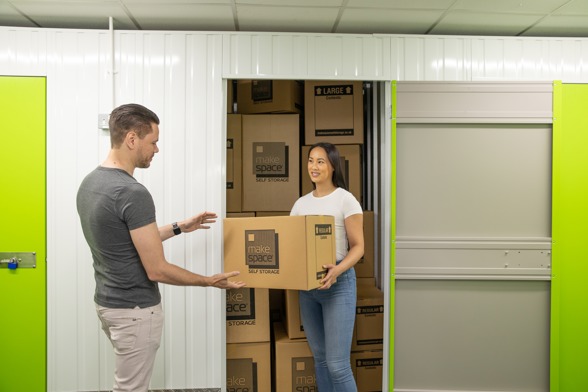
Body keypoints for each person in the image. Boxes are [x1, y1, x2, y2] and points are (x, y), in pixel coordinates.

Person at [76, 103, 245, 392]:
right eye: (153, 142)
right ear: (132, 139)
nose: (156, 149)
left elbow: (126, 241)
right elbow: (156, 269)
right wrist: (208, 281)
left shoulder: (91, 183)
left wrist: (180, 226)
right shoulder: (131, 192)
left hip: (107, 304)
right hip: (135, 311)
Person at [290, 142, 364, 392]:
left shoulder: (345, 199)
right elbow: (293, 246)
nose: (314, 166)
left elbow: (358, 247)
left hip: (338, 285)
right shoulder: (300, 204)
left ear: (333, 166)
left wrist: (338, 270)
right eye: (311, 160)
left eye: (320, 161)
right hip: (308, 289)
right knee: (320, 360)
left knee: (337, 365)